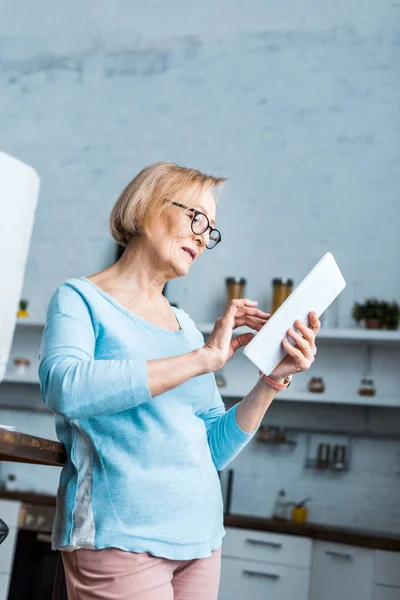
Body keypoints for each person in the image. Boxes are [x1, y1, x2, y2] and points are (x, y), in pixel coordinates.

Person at [38, 162, 320, 600]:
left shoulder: (185, 327)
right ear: (148, 207)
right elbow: (65, 387)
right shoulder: (80, 299)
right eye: (197, 219)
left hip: (202, 542)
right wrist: (202, 358)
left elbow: (213, 449)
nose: (205, 237)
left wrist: (270, 382)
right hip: (121, 539)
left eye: (212, 231)